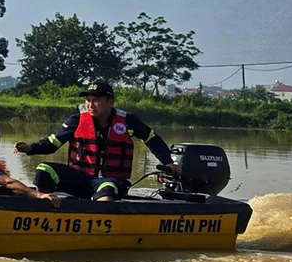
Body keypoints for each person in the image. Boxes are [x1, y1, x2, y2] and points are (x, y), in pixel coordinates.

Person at [13, 81, 180, 202]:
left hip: (111, 182)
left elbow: (152, 140)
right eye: (88, 100)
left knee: (107, 188)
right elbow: (52, 143)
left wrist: (168, 162)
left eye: (96, 100)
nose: (90, 104)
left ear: (110, 101)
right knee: (44, 169)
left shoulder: (128, 120)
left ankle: (100, 225)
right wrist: (29, 148)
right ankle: (45, 207)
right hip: (80, 179)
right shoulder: (76, 119)